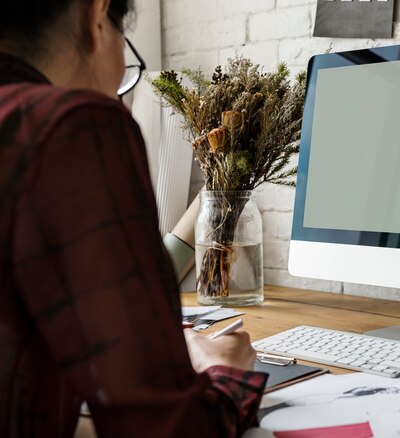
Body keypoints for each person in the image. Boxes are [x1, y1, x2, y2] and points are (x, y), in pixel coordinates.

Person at [0, 0, 267, 437]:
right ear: (96, 15)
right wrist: (226, 372)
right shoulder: (70, 124)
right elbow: (167, 430)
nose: (125, 93)